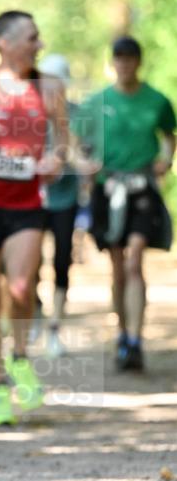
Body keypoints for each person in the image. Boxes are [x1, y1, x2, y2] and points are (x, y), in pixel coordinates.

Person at [0, 11, 67, 428]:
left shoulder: (49, 89)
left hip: (26, 202)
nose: (38, 45)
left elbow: (64, 142)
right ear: (4, 42)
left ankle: (21, 357)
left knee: (22, 288)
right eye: (31, 37)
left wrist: (53, 160)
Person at [72, 36, 175, 371]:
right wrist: (83, 164)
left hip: (142, 188)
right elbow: (73, 139)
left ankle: (136, 338)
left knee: (134, 260)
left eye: (130, 58)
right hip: (107, 189)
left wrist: (166, 160)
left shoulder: (156, 100)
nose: (124, 64)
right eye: (119, 58)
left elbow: (169, 137)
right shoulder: (97, 101)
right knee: (117, 266)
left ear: (138, 62)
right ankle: (121, 334)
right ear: (113, 62)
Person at [36, 53, 82, 357]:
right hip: (33, 199)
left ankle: (55, 328)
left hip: (65, 199)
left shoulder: (77, 114)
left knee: (61, 260)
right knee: (28, 264)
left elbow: (82, 152)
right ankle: (36, 313)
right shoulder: (30, 112)